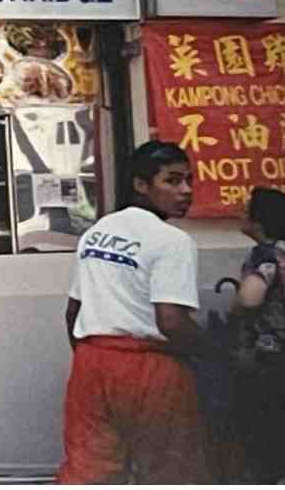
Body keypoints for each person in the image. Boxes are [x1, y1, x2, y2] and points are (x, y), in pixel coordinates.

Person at [55, 141, 209, 484]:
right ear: (141, 185)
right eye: (172, 181)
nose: (186, 191)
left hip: (91, 361)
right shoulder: (172, 241)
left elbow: (72, 311)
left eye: (189, 180)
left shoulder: (98, 232)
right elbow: (171, 322)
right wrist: (219, 352)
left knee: (89, 470)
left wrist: (90, 358)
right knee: (168, 470)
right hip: (149, 368)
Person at [231, 187, 285, 484]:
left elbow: (249, 299)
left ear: (259, 221)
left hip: (266, 358)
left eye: (246, 210)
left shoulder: (265, 255)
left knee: (266, 437)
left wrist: (236, 306)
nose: (239, 213)